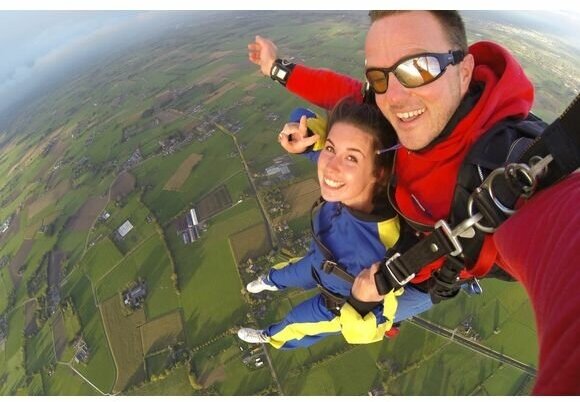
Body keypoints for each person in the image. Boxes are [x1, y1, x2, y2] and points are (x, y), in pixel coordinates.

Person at [248, 10, 535, 306]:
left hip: (412, 276)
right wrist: (275, 68)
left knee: (345, 318)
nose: (393, 98)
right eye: (378, 76)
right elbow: (345, 94)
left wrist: (374, 300)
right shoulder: (392, 103)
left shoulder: (506, 174)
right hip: (382, 207)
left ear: (464, 72)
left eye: (419, 68)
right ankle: (272, 281)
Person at [238, 98, 406, 349]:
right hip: (316, 261)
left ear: (379, 172)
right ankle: (269, 282)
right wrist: (302, 129)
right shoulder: (350, 182)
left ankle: (268, 336)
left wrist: (360, 303)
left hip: (336, 303)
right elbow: (302, 117)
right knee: (282, 274)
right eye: (330, 149)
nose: (330, 167)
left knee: (294, 324)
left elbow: (374, 326)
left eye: (351, 158)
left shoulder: (388, 242)